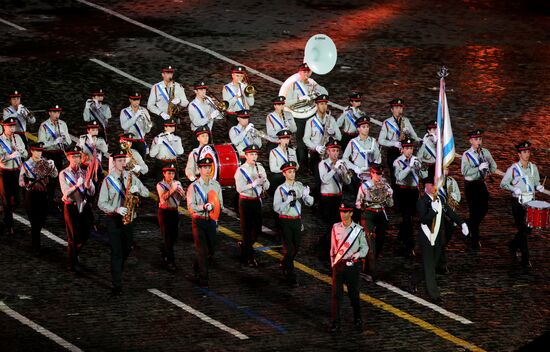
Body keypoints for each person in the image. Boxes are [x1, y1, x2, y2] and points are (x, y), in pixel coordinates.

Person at [409, 175, 469, 303]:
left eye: (434, 184)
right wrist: (433, 211)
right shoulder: (421, 201)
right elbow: (424, 220)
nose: (434, 187)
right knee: (430, 267)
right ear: (426, 187)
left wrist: (461, 223)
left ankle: (414, 279)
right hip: (427, 238)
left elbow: (450, 213)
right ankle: (435, 295)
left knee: (432, 265)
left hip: (438, 238)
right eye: (431, 185)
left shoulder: (441, 199)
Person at [98, 149, 150, 295]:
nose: (122, 163)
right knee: (117, 251)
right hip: (114, 219)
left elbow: (146, 192)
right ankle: (117, 284)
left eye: (123, 160)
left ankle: (117, 270)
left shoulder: (131, 177)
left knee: (127, 248)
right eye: (119, 160)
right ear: (114, 162)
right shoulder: (108, 180)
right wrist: (115, 209)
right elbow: (101, 203)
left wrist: (137, 190)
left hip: (129, 219)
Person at [500, 141, 545, 271]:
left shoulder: (533, 167)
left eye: (528, 152)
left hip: (530, 202)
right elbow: (503, 184)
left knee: (528, 230)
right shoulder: (513, 169)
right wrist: (513, 188)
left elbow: (536, 181)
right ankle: (526, 260)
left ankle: (513, 245)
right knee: (523, 231)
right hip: (518, 203)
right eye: (524, 152)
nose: (527, 154)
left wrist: (538, 186)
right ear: (519, 154)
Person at [329, 200, 368, 333]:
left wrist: (358, 255)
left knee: (353, 294)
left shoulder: (358, 230)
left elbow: (365, 248)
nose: (343, 214)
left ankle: (358, 319)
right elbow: (333, 248)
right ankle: (335, 322)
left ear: (351, 213)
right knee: (336, 295)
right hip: (339, 265)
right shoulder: (335, 227)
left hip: (352, 266)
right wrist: (333, 264)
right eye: (341, 211)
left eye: (345, 212)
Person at [273, 161, 314, 286]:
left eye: (293, 171)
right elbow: (276, 208)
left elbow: (310, 203)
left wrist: (307, 196)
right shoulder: (280, 189)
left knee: (296, 248)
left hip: (296, 220)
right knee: (289, 249)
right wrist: (287, 201)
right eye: (289, 172)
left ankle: (285, 262)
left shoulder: (300, 185)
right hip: (285, 220)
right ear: (284, 173)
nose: (292, 174)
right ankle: (290, 275)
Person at [187, 157, 224, 287]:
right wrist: (203, 207)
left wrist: (217, 218)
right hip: (199, 221)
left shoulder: (216, 185)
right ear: (200, 169)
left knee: (211, 249)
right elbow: (190, 207)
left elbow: (220, 204)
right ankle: (204, 277)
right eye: (204, 167)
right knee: (202, 249)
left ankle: (197, 265)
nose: (207, 170)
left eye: (209, 167)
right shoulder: (194, 187)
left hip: (211, 221)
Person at [283, 63, 328, 170]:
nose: (306, 74)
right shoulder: (294, 85)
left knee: (313, 139)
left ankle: (314, 165)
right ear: (300, 72)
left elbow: (326, 93)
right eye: (304, 71)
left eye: (308, 72)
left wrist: (317, 90)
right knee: (301, 141)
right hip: (298, 116)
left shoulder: (312, 84)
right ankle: (302, 164)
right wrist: (300, 99)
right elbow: (287, 103)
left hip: (310, 115)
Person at [59, 145, 95, 273]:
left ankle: (74, 253)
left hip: (83, 206)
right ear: (68, 157)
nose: (76, 159)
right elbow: (65, 192)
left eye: (78, 156)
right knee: (73, 236)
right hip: (71, 206)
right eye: (73, 156)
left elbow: (91, 192)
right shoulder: (63, 173)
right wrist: (76, 186)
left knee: (86, 233)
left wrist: (89, 186)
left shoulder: (85, 172)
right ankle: (72, 262)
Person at [355, 164, 393, 281]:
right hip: (368, 214)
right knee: (370, 243)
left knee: (380, 241)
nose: (379, 176)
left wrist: (389, 196)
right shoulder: (364, 186)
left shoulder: (386, 186)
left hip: (380, 213)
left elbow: (391, 204)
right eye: (377, 174)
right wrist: (363, 203)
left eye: (381, 174)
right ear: (372, 173)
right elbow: (357, 203)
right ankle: (371, 272)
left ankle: (367, 266)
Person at [461, 129, 497, 250]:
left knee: (484, 209)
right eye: (476, 139)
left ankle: (469, 224)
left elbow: (494, 166)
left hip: (481, 184)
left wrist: (489, 166)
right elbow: (464, 171)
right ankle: (475, 241)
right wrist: (478, 168)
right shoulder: (466, 155)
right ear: (471, 141)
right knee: (474, 211)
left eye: (480, 139)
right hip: (471, 185)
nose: (479, 141)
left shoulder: (485, 152)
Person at [19, 142, 58, 255]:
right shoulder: (26, 165)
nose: (39, 153)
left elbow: (55, 175)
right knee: (34, 221)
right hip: (31, 194)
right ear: (32, 151)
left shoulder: (45, 163)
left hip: (43, 194)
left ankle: (35, 239)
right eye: (37, 151)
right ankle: (36, 246)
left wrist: (53, 165)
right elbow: (20, 182)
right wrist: (26, 182)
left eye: (40, 151)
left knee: (42, 219)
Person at [234, 144, 269, 267]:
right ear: (246, 156)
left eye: (255, 154)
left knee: (258, 228)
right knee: (247, 229)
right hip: (245, 201)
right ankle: (249, 257)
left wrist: (264, 181)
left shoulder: (260, 167)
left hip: (256, 200)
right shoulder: (241, 170)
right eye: (251, 154)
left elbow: (267, 185)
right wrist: (253, 184)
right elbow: (239, 189)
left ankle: (245, 245)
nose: (254, 157)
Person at [317, 139, 351, 263]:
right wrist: (334, 169)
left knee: (337, 225)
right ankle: (326, 252)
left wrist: (343, 172)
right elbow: (324, 179)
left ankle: (330, 249)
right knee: (330, 225)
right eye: (333, 150)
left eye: (337, 151)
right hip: (326, 198)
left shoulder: (341, 164)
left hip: (338, 197)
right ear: (328, 151)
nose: (335, 153)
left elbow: (347, 182)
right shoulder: (323, 164)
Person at [378, 98, 420, 189]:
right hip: (393, 153)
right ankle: (395, 197)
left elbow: (415, 137)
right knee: (395, 177)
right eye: (396, 108)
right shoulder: (387, 123)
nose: (399, 110)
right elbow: (381, 140)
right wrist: (394, 143)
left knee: (407, 176)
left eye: (400, 108)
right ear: (392, 110)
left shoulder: (406, 121)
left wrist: (409, 133)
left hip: (406, 153)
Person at [393, 137, 421, 257]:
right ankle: (410, 246)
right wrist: (409, 167)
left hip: (414, 192)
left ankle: (401, 237)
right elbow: (399, 177)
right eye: (407, 148)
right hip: (402, 192)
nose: (409, 151)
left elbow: (423, 173)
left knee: (410, 218)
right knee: (407, 219)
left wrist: (419, 167)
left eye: (411, 148)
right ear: (402, 149)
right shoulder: (397, 162)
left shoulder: (416, 160)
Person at [38, 105, 71, 207]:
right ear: (49, 113)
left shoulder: (63, 124)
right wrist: (54, 142)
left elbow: (69, 142)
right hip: (48, 154)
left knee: (57, 177)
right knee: (48, 178)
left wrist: (64, 139)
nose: (57, 115)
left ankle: (51, 199)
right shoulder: (44, 126)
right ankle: (46, 199)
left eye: (58, 113)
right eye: (54, 112)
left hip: (59, 154)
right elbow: (41, 144)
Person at [0, 117, 28, 235]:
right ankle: (9, 225)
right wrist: (9, 156)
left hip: (17, 172)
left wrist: (21, 151)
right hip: (4, 172)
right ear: (4, 127)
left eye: (13, 126)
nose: (12, 129)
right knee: (6, 199)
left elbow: (26, 154)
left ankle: (7, 212)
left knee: (18, 199)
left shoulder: (18, 138)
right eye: (9, 126)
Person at [303, 94, 341, 179]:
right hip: (316, 154)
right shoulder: (311, 121)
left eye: (325, 104)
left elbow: (339, 137)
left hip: (329, 155)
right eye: (321, 104)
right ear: (316, 105)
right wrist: (316, 147)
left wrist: (334, 132)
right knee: (319, 177)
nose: (324, 106)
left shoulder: (331, 119)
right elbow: (305, 139)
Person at [157, 163, 184, 272]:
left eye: (172, 173)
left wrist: (182, 192)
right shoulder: (160, 185)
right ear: (164, 174)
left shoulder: (177, 183)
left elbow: (184, 197)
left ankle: (164, 250)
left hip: (174, 212)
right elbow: (163, 198)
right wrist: (172, 190)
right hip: (164, 212)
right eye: (169, 173)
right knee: (168, 237)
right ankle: (170, 262)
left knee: (174, 237)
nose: (171, 176)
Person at [120, 92, 152, 157]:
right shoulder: (124, 111)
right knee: (129, 165)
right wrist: (136, 116)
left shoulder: (144, 110)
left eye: (138, 100)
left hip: (140, 141)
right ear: (130, 100)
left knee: (142, 165)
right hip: (129, 142)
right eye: (134, 100)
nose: (136, 102)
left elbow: (147, 130)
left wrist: (146, 122)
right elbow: (124, 127)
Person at [78, 120, 108, 189]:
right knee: (83, 186)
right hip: (85, 166)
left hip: (96, 167)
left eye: (96, 130)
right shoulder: (83, 139)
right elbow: (78, 150)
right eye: (93, 130)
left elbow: (105, 150)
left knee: (96, 186)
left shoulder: (100, 140)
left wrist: (95, 145)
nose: (95, 131)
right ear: (88, 130)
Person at [268, 129, 298, 194]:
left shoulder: (292, 151)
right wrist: (286, 170)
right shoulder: (273, 152)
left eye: (287, 139)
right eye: (283, 139)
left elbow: (297, 167)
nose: (286, 141)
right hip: (279, 176)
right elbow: (273, 169)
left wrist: (293, 162)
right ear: (280, 140)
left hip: (290, 175)